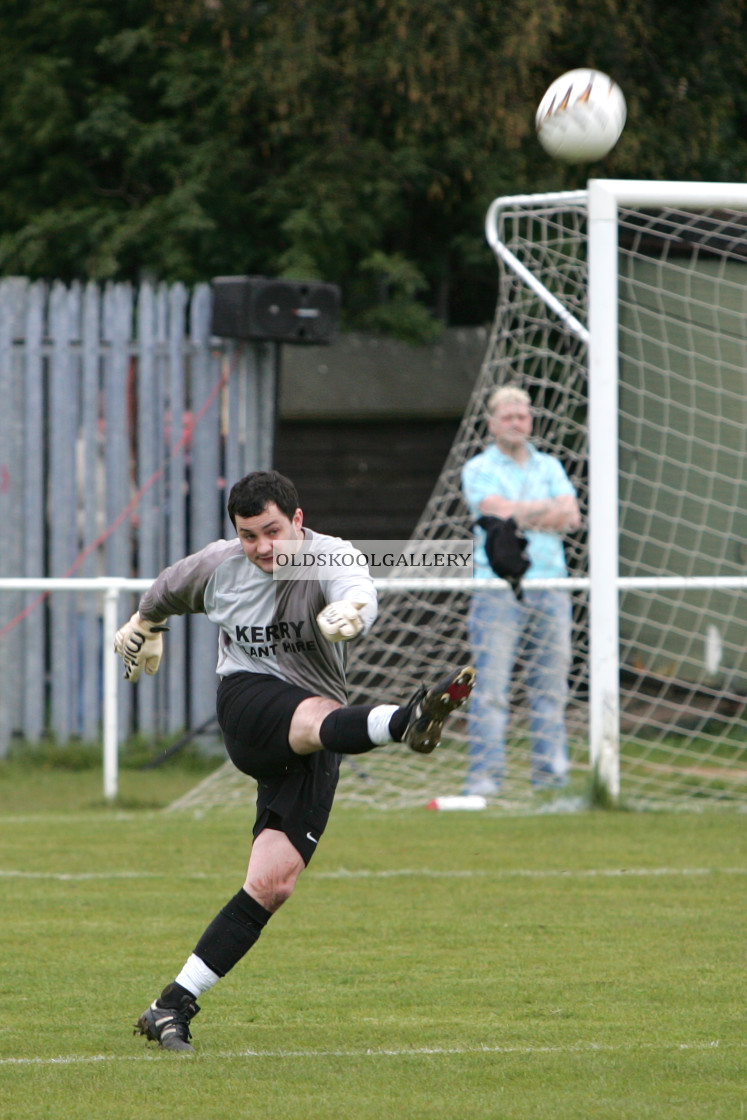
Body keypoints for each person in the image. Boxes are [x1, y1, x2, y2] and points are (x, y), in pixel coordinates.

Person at [114, 469, 475, 1053]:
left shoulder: (327, 557)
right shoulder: (218, 564)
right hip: (250, 705)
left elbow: (358, 586)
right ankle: (405, 721)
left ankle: (170, 1005)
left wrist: (353, 610)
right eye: (248, 535)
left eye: (272, 532)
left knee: (272, 883)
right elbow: (164, 592)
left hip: (320, 734)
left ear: (298, 521)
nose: (261, 548)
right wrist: (143, 626)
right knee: (314, 719)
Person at [461, 386, 580, 796]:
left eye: (522, 416)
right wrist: (543, 512)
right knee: (491, 688)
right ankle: (485, 779)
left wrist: (518, 513)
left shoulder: (550, 466)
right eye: (507, 416)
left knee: (550, 688)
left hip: (552, 585)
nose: (516, 422)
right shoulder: (478, 468)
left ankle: (551, 778)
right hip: (496, 589)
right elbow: (493, 509)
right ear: (492, 422)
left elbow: (572, 517)